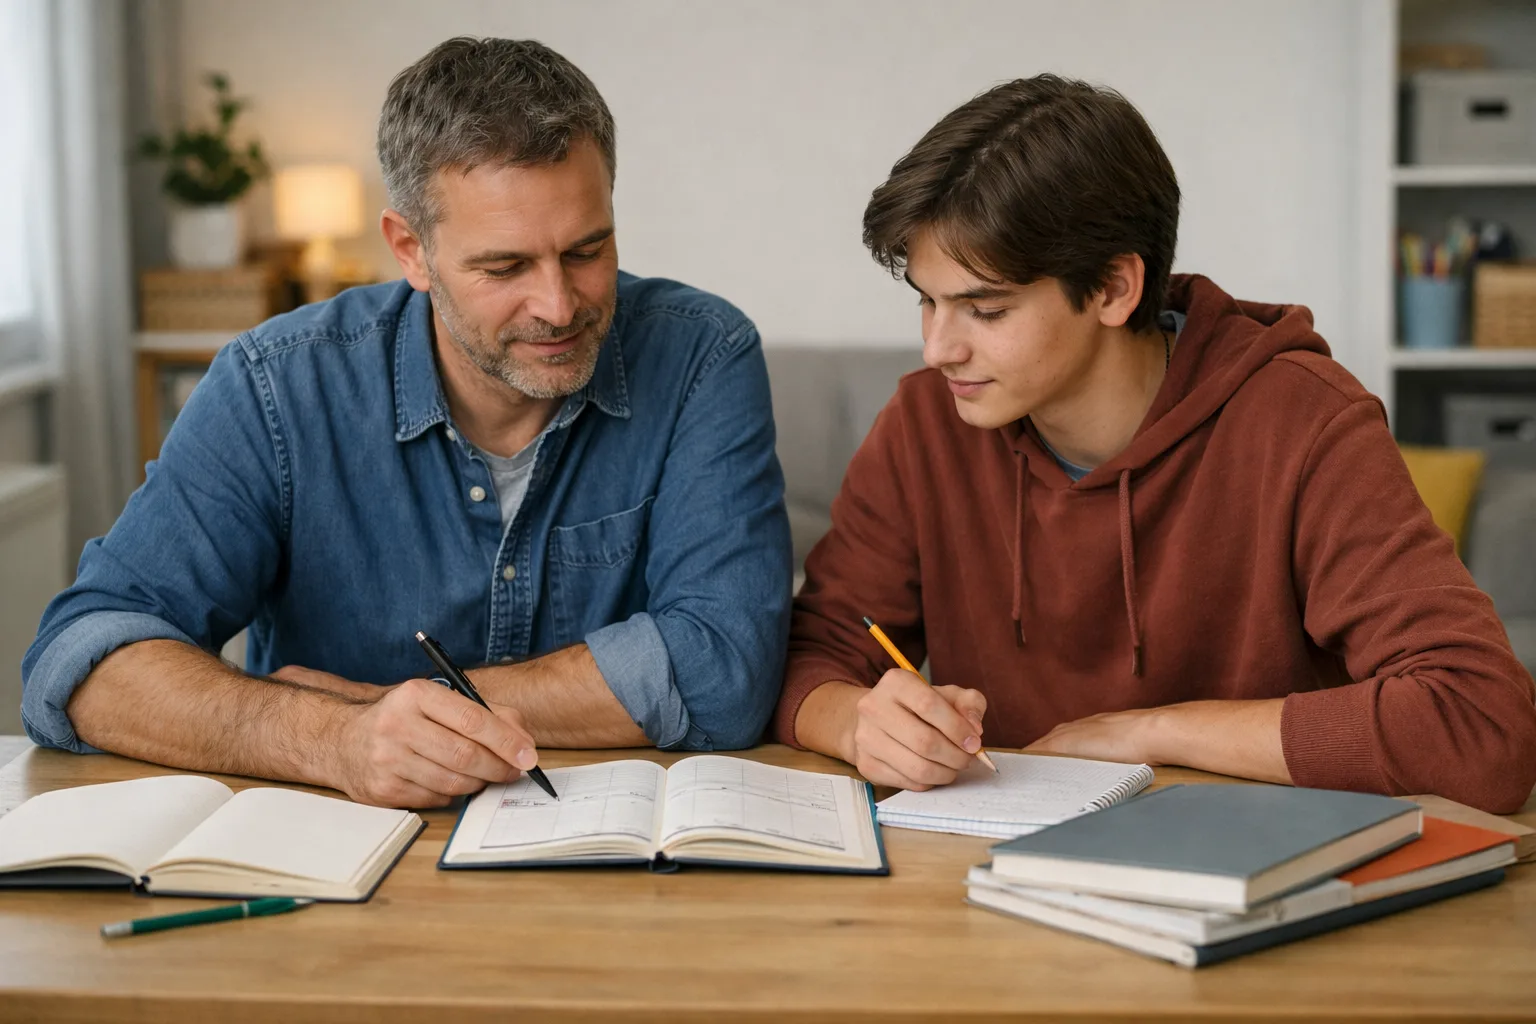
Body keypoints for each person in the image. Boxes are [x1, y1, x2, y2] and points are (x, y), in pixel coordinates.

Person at [23, 37, 792, 809]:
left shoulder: (703, 356)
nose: (559, 306)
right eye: (505, 267)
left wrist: (383, 705)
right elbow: (83, 658)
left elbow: (726, 670)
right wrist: (332, 740)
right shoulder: (277, 385)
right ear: (411, 250)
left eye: (587, 251)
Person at [776, 74, 1536, 813]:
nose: (938, 348)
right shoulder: (926, 424)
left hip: (1250, 883)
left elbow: (1481, 722)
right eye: (928, 303)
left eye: (984, 310)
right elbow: (815, 656)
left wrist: (1151, 731)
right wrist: (858, 721)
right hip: (998, 877)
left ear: (1113, 288)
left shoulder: (1303, 420)